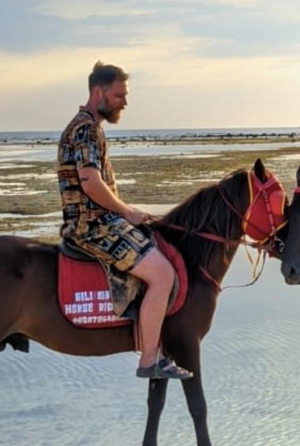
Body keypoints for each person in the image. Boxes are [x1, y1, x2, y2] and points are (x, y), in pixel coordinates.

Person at [57, 61, 193, 380]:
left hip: (99, 221)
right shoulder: (87, 128)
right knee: (162, 275)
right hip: (93, 228)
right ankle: (149, 360)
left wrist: (126, 210)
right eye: (119, 96)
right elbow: (90, 181)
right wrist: (125, 211)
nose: (124, 103)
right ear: (98, 92)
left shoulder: (87, 126)